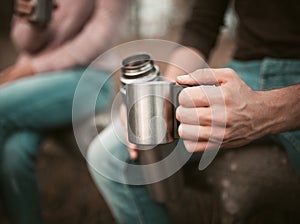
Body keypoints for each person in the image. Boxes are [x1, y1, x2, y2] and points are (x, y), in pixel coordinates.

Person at [87, 0, 300, 223]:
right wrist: (164, 93)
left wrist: (269, 111)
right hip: (242, 73)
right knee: (107, 157)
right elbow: (201, 26)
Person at [0, 0, 127, 223]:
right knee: (14, 154)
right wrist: (34, 21)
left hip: (88, 78)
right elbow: (22, 41)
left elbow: (97, 38)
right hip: (34, 82)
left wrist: (33, 68)